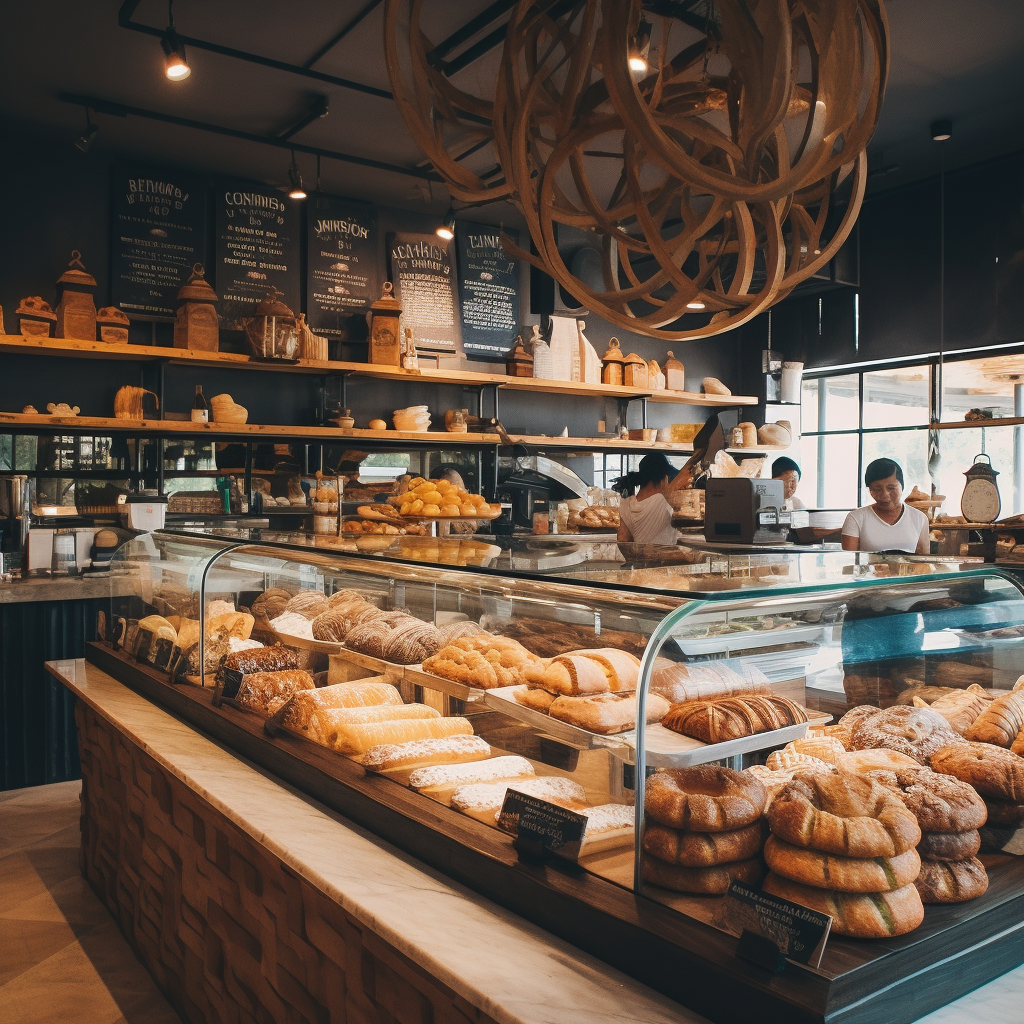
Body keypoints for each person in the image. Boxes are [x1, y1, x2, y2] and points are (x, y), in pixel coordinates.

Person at [841, 458, 930, 554]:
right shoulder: (856, 518)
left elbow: (923, 562)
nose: (885, 495)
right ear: (870, 489)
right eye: (877, 489)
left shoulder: (919, 518)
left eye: (891, 488)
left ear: (902, 486)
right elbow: (849, 562)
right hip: (869, 569)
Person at [614, 452, 679, 545]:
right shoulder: (664, 501)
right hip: (664, 557)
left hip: (638, 558)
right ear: (664, 478)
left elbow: (623, 537)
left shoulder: (626, 502)